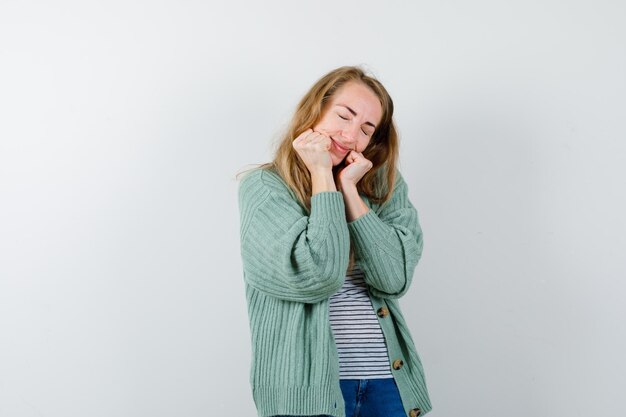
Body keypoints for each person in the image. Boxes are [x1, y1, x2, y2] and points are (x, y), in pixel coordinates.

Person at [237, 66, 432, 417]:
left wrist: (351, 193)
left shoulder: (384, 186)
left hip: (389, 383)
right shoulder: (264, 188)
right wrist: (322, 174)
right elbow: (319, 274)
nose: (350, 134)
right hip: (306, 389)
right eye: (344, 115)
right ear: (316, 109)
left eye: (366, 129)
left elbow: (394, 279)